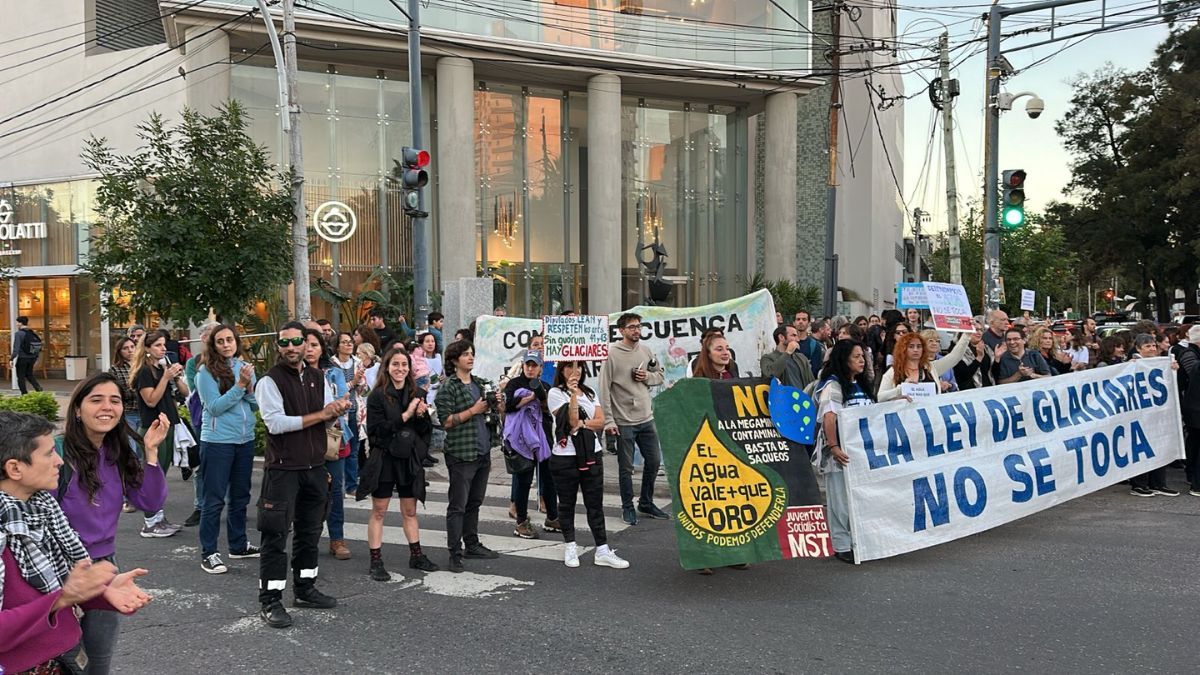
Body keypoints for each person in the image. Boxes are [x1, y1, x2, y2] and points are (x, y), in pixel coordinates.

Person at [0, 411, 153, 674]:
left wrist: (102, 592)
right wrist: (62, 598)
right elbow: (57, 598)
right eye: (48, 454)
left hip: (65, 659)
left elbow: (62, 593)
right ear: (15, 468)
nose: (59, 461)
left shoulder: (43, 510)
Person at [54, 376, 168, 674]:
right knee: (64, 659)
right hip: (60, 570)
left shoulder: (117, 452)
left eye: (114, 400)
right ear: (77, 409)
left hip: (106, 566)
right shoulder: (55, 455)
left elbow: (150, 502)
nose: (107, 407)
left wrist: (151, 451)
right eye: (96, 400)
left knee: (99, 660)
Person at [255, 322, 351, 629]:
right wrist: (321, 415)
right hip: (283, 470)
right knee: (275, 536)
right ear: (278, 346)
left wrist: (335, 410)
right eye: (286, 343)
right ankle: (271, 600)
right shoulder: (269, 381)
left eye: (298, 341)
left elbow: (323, 417)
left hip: (314, 466)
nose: (292, 347)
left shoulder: (316, 376)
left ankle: (305, 588)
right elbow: (275, 424)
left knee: (310, 532)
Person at [361, 347, 439, 580]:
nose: (400, 369)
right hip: (384, 457)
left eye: (404, 365)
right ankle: (375, 560)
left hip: (408, 458)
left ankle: (416, 554)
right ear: (387, 366)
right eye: (395, 364)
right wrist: (405, 416)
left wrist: (422, 416)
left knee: (410, 510)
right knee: (379, 510)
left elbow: (424, 432)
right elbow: (376, 432)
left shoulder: (416, 392)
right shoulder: (377, 396)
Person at [546, 361, 628, 569]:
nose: (576, 371)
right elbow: (572, 421)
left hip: (592, 453)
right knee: (567, 503)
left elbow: (600, 421)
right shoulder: (556, 393)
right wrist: (573, 395)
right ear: (562, 370)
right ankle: (570, 545)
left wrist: (584, 423)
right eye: (570, 368)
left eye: (579, 367)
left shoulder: (590, 392)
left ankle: (602, 549)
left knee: (595, 503)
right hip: (566, 456)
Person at [195, 324, 261, 575]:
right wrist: (240, 386)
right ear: (213, 345)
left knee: (240, 496)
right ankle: (209, 552)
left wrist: (248, 386)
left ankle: (238, 544)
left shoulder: (242, 367)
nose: (226, 344)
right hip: (217, 442)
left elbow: (255, 405)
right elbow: (214, 407)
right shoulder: (205, 372)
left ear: (237, 342)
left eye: (230, 340)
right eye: (220, 341)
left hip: (244, 440)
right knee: (213, 499)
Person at [436, 341, 502, 572]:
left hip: (482, 451)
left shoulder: (479, 384)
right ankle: (454, 552)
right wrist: (473, 411)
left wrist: (497, 405)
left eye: (472, 354)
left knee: (475, 502)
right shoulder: (449, 387)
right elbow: (445, 421)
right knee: (458, 505)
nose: (470, 358)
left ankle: (471, 543)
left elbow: (492, 413)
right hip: (461, 453)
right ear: (455, 360)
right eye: (465, 354)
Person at [599, 313, 670, 526]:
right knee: (625, 468)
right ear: (621, 331)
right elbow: (604, 389)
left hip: (646, 418)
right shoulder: (611, 354)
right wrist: (609, 421)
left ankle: (646, 502)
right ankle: (627, 507)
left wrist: (646, 377)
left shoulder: (645, 350)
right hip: (623, 421)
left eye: (638, 326)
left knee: (654, 461)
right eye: (631, 327)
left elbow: (660, 375)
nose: (636, 330)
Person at [815, 341, 876, 564]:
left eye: (862, 356)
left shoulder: (860, 384)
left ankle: (856, 540)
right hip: (839, 453)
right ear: (843, 359)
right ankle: (841, 544)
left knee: (855, 498)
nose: (862, 360)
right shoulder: (833, 385)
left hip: (858, 451)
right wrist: (834, 446)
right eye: (856, 357)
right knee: (839, 499)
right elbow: (829, 417)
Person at [130, 329, 188, 538]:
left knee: (161, 476)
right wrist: (165, 377)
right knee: (152, 476)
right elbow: (151, 400)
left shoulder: (163, 368)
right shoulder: (145, 372)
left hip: (168, 425)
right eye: (158, 345)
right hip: (152, 428)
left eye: (164, 345)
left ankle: (159, 519)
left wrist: (176, 376)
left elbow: (185, 392)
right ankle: (149, 523)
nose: (163, 349)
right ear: (147, 349)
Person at [503, 351, 561, 539]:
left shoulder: (544, 385)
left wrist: (542, 398)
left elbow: (550, 410)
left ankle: (552, 517)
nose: (530, 368)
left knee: (549, 479)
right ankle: (521, 521)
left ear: (540, 368)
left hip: (542, 439)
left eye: (534, 365)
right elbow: (508, 406)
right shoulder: (514, 384)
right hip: (521, 441)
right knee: (524, 481)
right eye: (527, 365)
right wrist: (528, 399)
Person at [182, 322, 218, 529]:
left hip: (226, 422)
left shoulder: (233, 362)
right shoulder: (194, 363)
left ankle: (228, 505)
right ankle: (201, 506)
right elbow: (197, 390)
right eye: (211, 336)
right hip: (201, 420)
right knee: (201, 465)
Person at [877, 331, 972, 402]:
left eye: (919, 346)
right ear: (903, 349)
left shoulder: (931, 368)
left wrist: (966, 335)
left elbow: (954, 357)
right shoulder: (893, 371)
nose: (916, 350)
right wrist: (900, 390)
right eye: (911, 346)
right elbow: (880, 397)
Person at [331, 331, 365, 495]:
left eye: (350, 341)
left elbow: (363, 388)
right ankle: (338, 484)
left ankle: (351, 485)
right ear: (337, 346)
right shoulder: (332, 364)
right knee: (337, 449)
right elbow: (334, 389)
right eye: (344, 342)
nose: (349, 344)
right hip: (337, 413)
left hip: (354, 410)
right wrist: (354, 382)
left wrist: (360, 383)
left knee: (353, 449)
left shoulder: (358, 362)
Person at [1177, 325, 1200, 497]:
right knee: (1196, 445)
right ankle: (1196, 483)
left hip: (1193, 406)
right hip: (1195, 407)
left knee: (1194, 443)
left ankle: (1192, 477)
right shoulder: (1191, 357)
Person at [760, 325, 816, 390]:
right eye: (794, 335)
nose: (797, 339)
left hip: (802, 399)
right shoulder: (767, 358)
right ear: (781, 337)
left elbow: (812, 383)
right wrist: (787, 353)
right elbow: (769, 376)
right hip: (783, 399)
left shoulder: (801, 358)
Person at [12, 315, 44, 395]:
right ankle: (38, 388)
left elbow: (16, 348)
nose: (16, 324)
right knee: (29, 374)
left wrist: (11, 359)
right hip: (32, 358)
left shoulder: (19, 334)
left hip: (22, 358)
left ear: (20, 323)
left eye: (17, 322)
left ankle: (24, 394)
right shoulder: (32, 333)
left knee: (20, 376)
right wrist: (35, 358)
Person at [792, 310, 825, 375]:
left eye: (804, 319)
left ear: (809, 323)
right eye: (798, 319)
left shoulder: (814, 345)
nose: (801, 322)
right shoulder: (786, 342)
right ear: (794, 323)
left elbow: (815, 370)